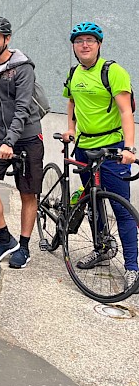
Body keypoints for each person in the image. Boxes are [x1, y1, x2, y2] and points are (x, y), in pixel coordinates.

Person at [62, 22, 137, 292]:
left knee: (121, 208)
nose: (84, 45)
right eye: (79, 41)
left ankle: (132, 268)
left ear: (99, 44)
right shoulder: (74, 73)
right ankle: (101, 249)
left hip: (111, 148)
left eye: (90, 41)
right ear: (74, 46)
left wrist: (129, 148)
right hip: (84, 147)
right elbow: (72, 101)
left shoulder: (113, 71)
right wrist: (71, 129)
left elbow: (126, 111)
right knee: (93, 202)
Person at [0, 16, 44, 269]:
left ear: (7, 39)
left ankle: (24, 247)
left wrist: (10, 142)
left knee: (27, 193)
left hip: (27, 137)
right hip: (1, 134)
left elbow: (22, 106)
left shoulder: (23, 68)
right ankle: (5, 239)